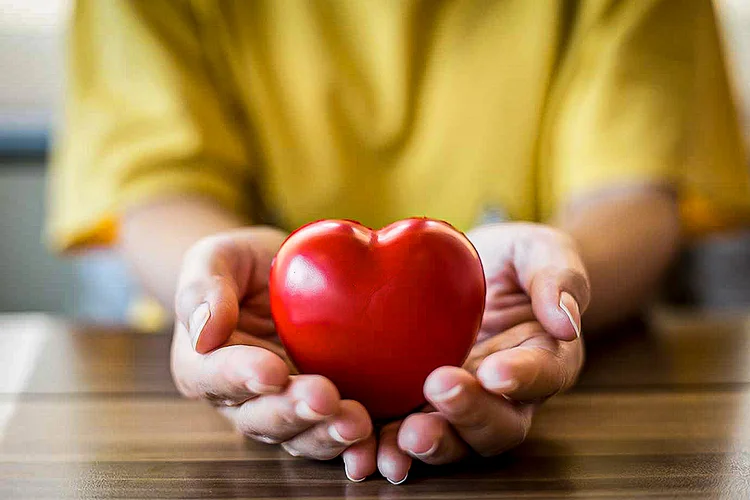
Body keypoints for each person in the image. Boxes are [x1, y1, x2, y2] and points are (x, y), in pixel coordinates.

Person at [48, 0, 750, 484]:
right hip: (195, 422)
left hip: (590, 400)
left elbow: (632, 194)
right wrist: (218, 300)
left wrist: (549, 290)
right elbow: (157, 188)